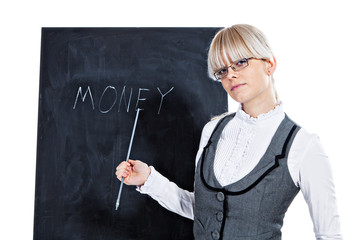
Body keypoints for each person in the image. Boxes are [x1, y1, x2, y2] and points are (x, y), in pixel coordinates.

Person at [115, 24, 342, 240]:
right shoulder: (212, 131)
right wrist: (149, 180)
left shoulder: (304, 146)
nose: (230, 75)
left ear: (270, 64)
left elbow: (329, 235)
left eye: (241, 62)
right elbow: (204, 211)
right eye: (222, 70)